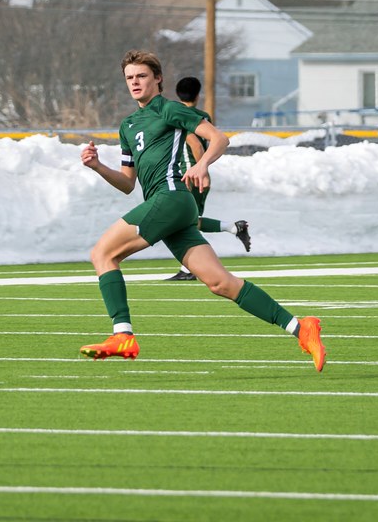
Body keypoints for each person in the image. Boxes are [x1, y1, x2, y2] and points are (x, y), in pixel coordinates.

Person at [78, 49, 325, 372]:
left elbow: (218, 139)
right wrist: (97, 166)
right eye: (129, 78)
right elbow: (127, 184)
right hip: (168, 206)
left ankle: (122, 334)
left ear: (158, 79)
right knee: (220, 283)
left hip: (171, 198)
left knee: (102, 254)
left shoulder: (170, 110)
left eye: (141, 76)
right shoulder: (128, 126)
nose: (135, 82)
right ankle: (299, 327)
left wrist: (202, 165)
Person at [166, 76, 251, 281]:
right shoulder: (203, 116)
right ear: (197, 95)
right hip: (199, 174)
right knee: (190, 222)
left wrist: (198, 169)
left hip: (189, 175)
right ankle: (234, 228)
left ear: (177, 94)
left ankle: (191, 269)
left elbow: (194, 145)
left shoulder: (179, 115)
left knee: (181, 223)